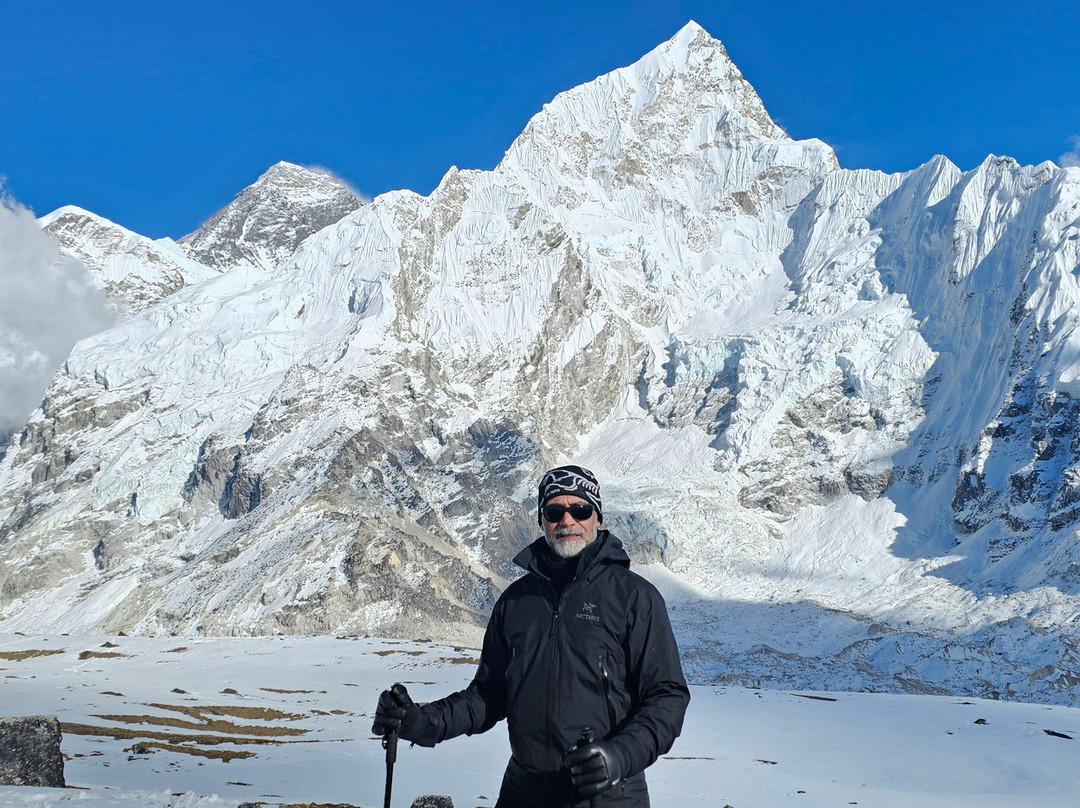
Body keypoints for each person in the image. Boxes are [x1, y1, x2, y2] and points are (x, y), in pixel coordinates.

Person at [372, 465, 690, 807]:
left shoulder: (634, 597)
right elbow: (488, 695)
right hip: (524, 793)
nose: (567, 521)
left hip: (608, 795)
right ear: (541, 521)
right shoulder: (516, 601)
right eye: (554, 511)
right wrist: (422, 722)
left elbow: (667, 698)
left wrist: (620, 755)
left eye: (579, 510)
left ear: (597, 517)